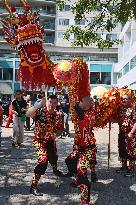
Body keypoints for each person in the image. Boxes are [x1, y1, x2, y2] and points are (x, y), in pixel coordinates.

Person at [26, 94, 64, 196]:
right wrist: (38, 105)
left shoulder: (59, 115)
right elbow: (28, 113)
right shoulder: (40, 112)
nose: (52, 104)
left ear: (57, 103)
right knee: (43, 160)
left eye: (55, 102)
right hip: (39, 141)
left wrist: (55, 135)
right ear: (46, 102)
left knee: (54, 158)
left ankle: (55, 170)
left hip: (51, 141)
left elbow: (61, 129)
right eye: (50, 102)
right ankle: (33, 186)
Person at [64, 96, 97, 205]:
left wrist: (72, 90)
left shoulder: (87, 113)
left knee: (81, 170)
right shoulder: (85, 110)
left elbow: (75, 106)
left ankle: (85, 201)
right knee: (69, 160)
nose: (78, 102)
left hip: (88, 148)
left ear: (87, 103)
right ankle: (78, 179)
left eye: (80, 101)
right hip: (78, 146)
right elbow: (75, 107)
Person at [116, 94, 136, 177]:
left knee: (131, 152)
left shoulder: (134, 109)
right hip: (122, 133)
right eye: (122, 99)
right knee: (122, 150)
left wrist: (131, 132)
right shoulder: (123, 109)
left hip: (130, 134)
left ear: (130, 100)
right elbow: (121, 121)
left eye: (125, 99)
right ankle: (124, 167)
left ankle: (132, 170)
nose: (123, 101)